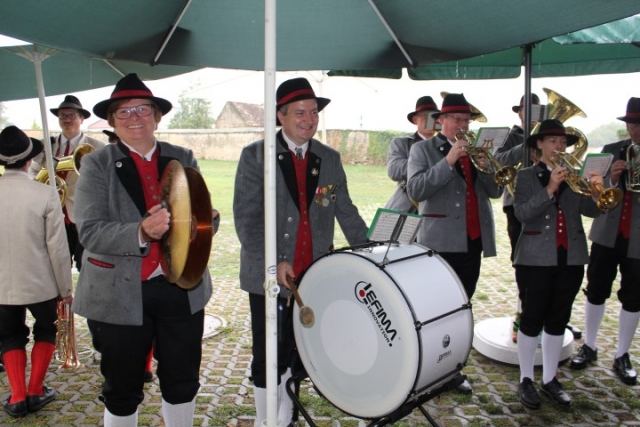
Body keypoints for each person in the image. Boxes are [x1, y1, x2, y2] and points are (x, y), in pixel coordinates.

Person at [72, 73, 219, 426]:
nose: (134, 118)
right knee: (122, 387)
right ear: (112, 121)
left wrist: (206, 221)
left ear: (156, 116)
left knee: (183, 380)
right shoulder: (96, 163)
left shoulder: (182, 156)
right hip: (119, 291)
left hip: (180, 288)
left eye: (142, 109)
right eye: (123, 112)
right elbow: (89, 231)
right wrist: (140, 230)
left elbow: (199, 221)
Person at [233, 77, 369, 426]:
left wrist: (370, 250)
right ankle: (266, 420)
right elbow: (247, 219)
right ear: (280, 116)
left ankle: (287, 415)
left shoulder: (329, 158)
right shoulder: (255, 156)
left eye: (314, 112)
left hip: (315, 275)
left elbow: (345, 210)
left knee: (300, 352)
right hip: (269, 277)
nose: (309, 119)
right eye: (300, 112)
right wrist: (274, 261)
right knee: (269, 354)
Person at [407, 93, 503, 394]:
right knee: (436, 307)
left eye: (467, 120)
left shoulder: (477, 150)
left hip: (472, 239)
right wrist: (448, 160)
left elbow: (495, 192)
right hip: (440, 241)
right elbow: (416, 189)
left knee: (463, 305)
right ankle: (428, 366)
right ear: (442, 121)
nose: (463, 125)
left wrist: (487, 166)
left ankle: (453, 368)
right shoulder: (423, 149)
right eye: (457, 119)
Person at [513, 119, 603, 409]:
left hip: (571, 257)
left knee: (558, 319)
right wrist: (550, 187)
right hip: (535, 259)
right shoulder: (526, 176)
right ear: (539, 144)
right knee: (531, 318)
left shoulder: (575, 175)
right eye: (552, 141)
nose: (559, 146)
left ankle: (550, 378)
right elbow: (522, 214)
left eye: (563, 141)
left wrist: (598, 192)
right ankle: (526, 378)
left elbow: (591, 210)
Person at [0, 126, 73, 418]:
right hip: (41, 282)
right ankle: (35, 389)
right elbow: (58, 247)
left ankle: (17, 396)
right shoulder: (46, 194)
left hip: (2, 286)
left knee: (9, 336)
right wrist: (66, 290)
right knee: (46, 329)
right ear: (29, 160)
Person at [570, 97, 640, 386]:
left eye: (639, 125)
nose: (635, 130)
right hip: (606, 233)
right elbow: (593, 190)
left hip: (637, 237)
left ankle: (622, 354)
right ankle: (589, 345)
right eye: (632, 124)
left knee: (634, 296)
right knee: (596, 289)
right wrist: (611, 179)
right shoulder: (612, 149)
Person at [29, 95, 106, 271]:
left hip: (83, 217)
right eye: (63, 116)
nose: (67, 120)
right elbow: (32, 171)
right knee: (53, 266)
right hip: (52, 216)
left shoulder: (98, 147)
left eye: (72, 116)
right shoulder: (45, 145)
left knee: (86, 265)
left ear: (82, 118)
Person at [385, 96, 440, 213]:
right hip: (409, 206)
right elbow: (393, 170)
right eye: (425, 116)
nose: (430, 120)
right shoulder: (401, 142)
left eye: (434, 117)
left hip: (437, 207)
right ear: (415, 120)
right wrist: (424, 162)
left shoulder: (447, 145)